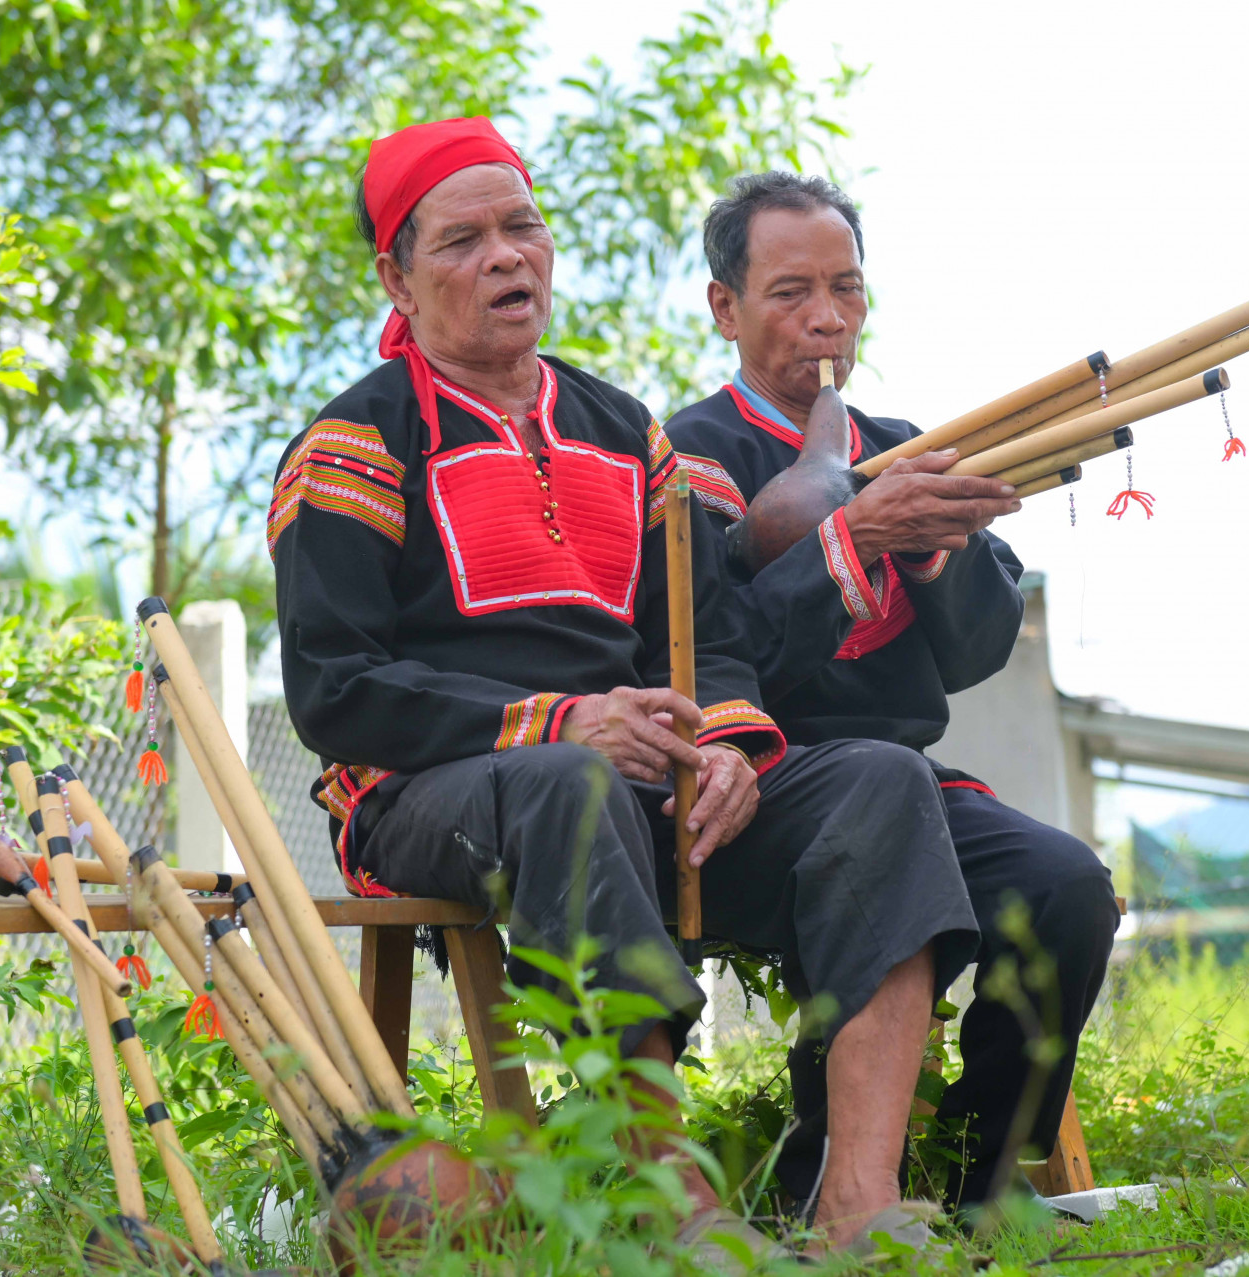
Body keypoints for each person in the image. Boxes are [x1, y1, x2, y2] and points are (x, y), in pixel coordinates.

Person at [273, 118, 985, 1257]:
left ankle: (861, 1197)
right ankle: (670, 1193)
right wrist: (562, 721)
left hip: (631, 780)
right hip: (435, 795)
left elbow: (703, 643)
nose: (507, 256)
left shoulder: (624, 433)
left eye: (523, 227)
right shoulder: (357, 442)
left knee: (881, 782)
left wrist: (729, 750)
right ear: (395, 278)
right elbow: (335, 689)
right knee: (571, 778)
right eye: (464, 241)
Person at [665, 171, 1121, 1213]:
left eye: (847, 288)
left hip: (906, 783)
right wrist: (852, 538)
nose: (826, 317)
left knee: (1066, 889)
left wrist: (931, 554)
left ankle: (972, 1176)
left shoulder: (904, 445)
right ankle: (822, 1165)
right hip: (760, 788)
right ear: (724, 307)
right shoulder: (684, 458)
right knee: (873, 793)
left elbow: (978, 649)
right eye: (790, 292)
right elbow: (706, 652)